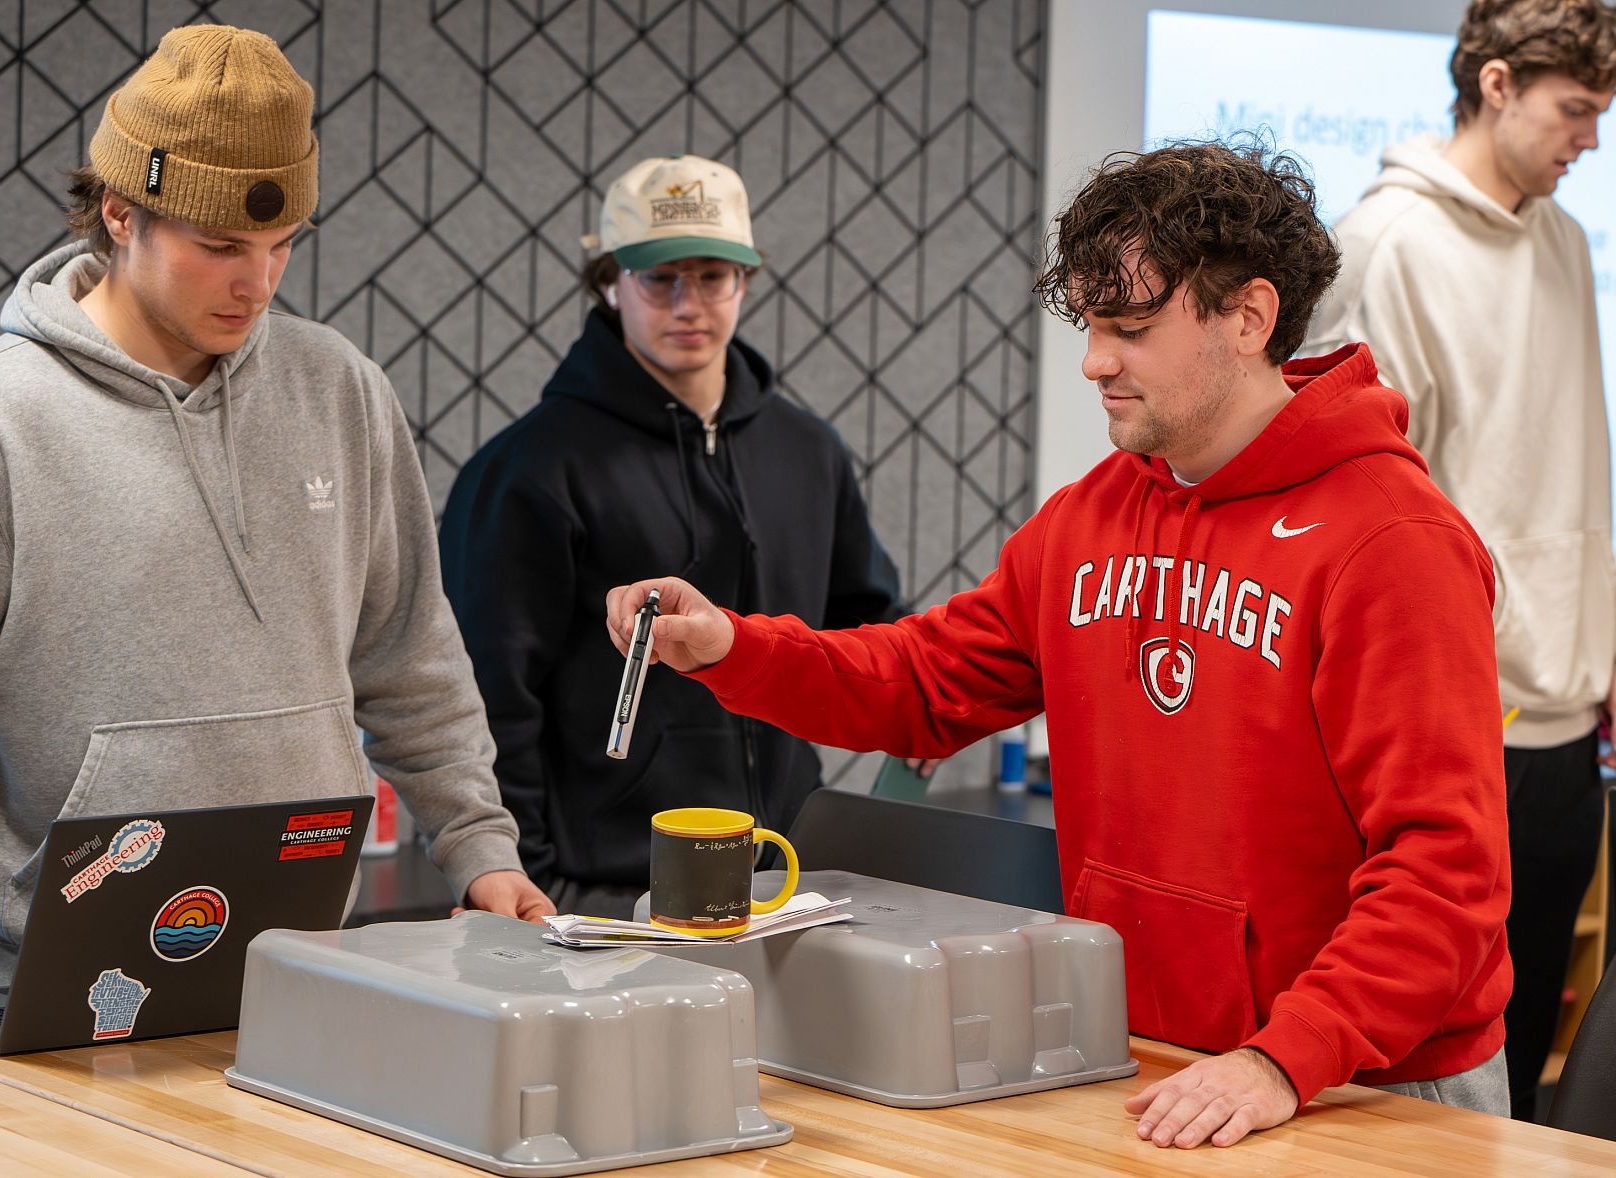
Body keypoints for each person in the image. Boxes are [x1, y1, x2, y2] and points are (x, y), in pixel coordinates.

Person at [607, 141, 1513, 1147]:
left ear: (1249, 318)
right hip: (1159, 1060)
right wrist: (728, 644)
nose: (1093, 360)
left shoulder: (1393, 542)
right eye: (1089, 325)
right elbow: (919, 683)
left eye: (1128, 327)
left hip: (1362, 1079)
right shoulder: (1089, 518)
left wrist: (1282, 1055)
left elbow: (1442, 870)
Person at [0, 24, 550, 1013]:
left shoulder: (342, 393)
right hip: (55, 998)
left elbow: (407, 659)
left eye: (280, 248)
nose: (256, 283)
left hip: (306, 972)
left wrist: (479, 847)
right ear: (119, 213)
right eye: (220, 246)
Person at [440, 154, 907, 918]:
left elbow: (869, 626)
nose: (689, 303)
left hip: (785, 881)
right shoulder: (530, 468)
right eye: (661, 279)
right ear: (609, 283)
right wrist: (522, 874)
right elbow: (490, 696)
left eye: (713, 276)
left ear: (745, 283)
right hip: (602, 892)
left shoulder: (808, 451)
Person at [1304, 0, 1616, 1121]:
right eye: (1572, 110)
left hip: (1566, 714)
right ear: (1493, 85)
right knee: (1432, 1056)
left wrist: (1601, 636)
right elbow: (1353, 492)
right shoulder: (1382, 243)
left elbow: (1568, 460)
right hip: (1450, 714)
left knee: (1529, 1038)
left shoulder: (1566, 240)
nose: (1588, 138)